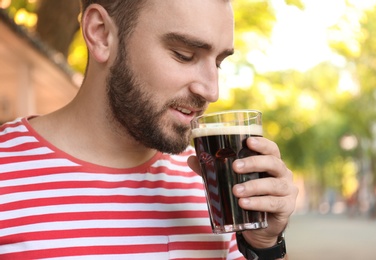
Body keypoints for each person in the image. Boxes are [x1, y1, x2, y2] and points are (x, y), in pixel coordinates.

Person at [0, 0, 298, 259]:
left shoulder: (215, 184)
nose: (211, 90)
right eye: (183, 54)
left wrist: (264, 245)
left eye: (218, 62)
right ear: (101, 34)